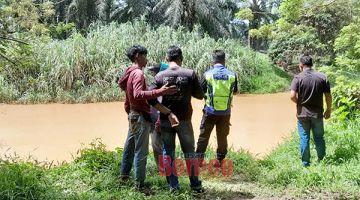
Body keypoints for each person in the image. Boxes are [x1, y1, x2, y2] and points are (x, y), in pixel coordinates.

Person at [118, 45, 179, 195]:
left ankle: (124, 177)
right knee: (141, 152)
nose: (146, 59)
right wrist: (160, 91)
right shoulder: (138, 73)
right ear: (137, 56)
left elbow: (123, 86)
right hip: (140, 116)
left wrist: (129, 107)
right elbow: (138, 94)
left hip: (133, 114)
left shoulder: (129, 71)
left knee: (129, 147)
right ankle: (139, 185)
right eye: (144, 56)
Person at [148, 46, 204, 193]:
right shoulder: (189, 74)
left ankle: (174, 187)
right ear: (181, 58)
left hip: (167, 120)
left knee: (168, 152)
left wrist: (167, 112)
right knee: (189, 152)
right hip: (185, 120)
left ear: (167, 59)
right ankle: (195, 185)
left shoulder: (159, 76)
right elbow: (200, 96)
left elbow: (151, 98)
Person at [196, 50, 238, 167]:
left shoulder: (207, 74)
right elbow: (235, 91)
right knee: (222, 136)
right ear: (224, 60)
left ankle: (199, 161)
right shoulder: (232, 75)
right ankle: (219, 161)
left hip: (209, 111)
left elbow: (200, 92)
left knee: (204, 135)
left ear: (213, 61)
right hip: (225, 113)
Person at [290, 55, 332, 167]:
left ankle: (306, 164)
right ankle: (321, 161)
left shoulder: (297, 78)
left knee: (304, 138)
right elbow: (328, 96)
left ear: (301, 65)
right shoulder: (322, 77)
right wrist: (328, 109)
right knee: (319, 138)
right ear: (311, 64)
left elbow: (292, 96)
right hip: (317, 114)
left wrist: (299, 103)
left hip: (302, 114)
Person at [147, 63, 169, 171]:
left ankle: (163, 170)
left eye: (156, 72)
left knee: (157, 145)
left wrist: (159, 121)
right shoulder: (158, 87)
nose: (154, 75)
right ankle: (164, 169)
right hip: (158, 120)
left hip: (160, 121)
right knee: (161, 146)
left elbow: (162, 106)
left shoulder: (164, 88)